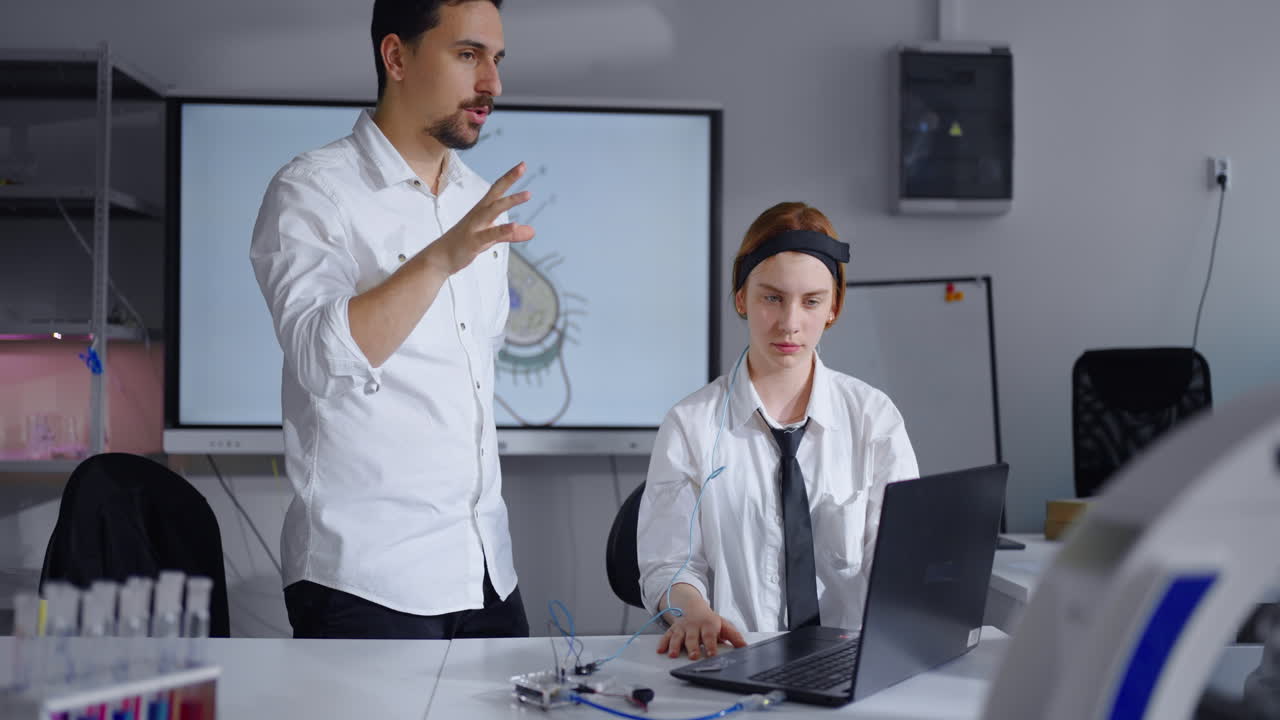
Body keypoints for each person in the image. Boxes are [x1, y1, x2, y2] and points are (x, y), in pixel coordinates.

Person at [249, 0, 534, 639]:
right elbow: (320, 359)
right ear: (396, 56)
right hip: (366, 579)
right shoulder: (312, 190)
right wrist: (437, 260)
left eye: (496, 59)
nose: (492, 84)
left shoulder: (475, 199)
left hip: (487, 569)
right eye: (467, 55)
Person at [637, 202, 920, 659]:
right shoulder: (689, 425)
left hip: (849, 664)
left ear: (835, 307)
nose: (790, 322)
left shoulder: (874, 420)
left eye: (811, 301)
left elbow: (902, 562)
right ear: (741, 298)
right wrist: (692, 611)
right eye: (772, 297)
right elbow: (670, 564)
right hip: (732, 660)